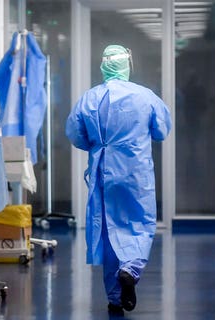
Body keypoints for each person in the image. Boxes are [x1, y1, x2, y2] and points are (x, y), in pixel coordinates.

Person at [65, 45, 171, 315]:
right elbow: (161, 130)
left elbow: (76, 135)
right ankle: (131, 269)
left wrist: (101, 144)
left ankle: (114, 297)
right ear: (127, 65)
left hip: (103, 174)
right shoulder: (145, 96)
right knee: (139, 224)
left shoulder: (89, 99)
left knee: (109, 231)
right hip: (136, 174)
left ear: (103, 66)